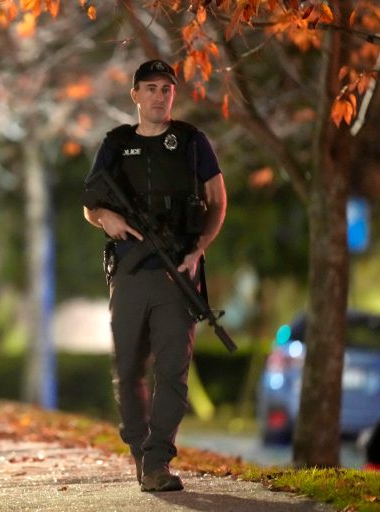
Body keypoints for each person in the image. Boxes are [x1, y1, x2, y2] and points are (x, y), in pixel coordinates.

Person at [82, 59, 227, 492]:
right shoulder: (115, 144)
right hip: (129, 273)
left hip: (177, 273)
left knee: (172, 372)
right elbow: (90, 203)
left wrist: (199, 249)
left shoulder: (191, 142)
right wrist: (104, 216)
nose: (159, 96)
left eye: (166, 89)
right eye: (150, 88)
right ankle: (140, 453)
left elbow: (217, 201)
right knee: (127, 370)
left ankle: (158, 459)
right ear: (135, 96)